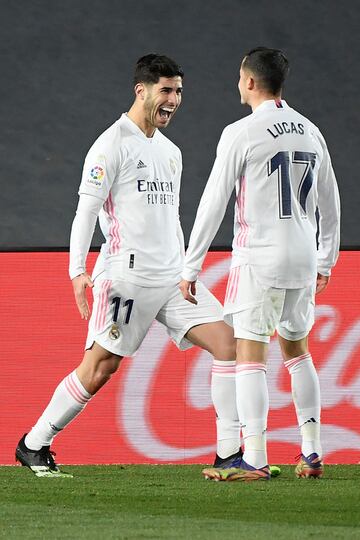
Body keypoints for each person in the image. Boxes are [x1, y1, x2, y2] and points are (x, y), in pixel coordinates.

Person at [15, 54, 242, 477]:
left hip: (172, 278)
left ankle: (229, 453)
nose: (174, 100)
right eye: (166, 91)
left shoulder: (170, 152)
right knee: (101, 367)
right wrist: (77, 271)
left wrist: (187, 269)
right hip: (126, 276)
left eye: (178, 92)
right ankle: (34, 442)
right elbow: (86, 211)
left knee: (228, 345)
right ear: (142, 89)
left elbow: (171, 217)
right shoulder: (111, 144)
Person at [180, 47, 340, 481]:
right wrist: (327, 258)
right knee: (297, 350)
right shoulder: (311, 130)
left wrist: (190, 267)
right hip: (304, 257)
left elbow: (213, 202)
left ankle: (253, 456)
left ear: (249, 82)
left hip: (261, 257)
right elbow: (331, 199)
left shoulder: (242, 132)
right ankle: (312, 451)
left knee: (250, 352)